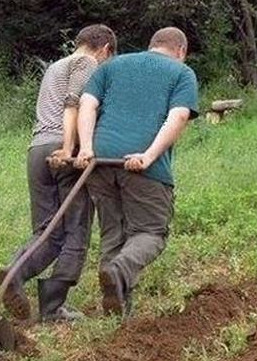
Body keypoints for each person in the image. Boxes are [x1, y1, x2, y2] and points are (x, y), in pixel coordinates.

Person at [76, 27, 199, 319]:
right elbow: (179, 115)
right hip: (142, 164)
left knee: (113, 233)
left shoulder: (113, 65)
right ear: (180, 51)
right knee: (151, 232)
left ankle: (116, 311)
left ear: (152, 44)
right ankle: (117, 273)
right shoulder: (182, 73)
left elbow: (88, 104)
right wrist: (148, 156)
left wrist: (87, 148)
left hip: (101, 161)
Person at [0, 25, 117, 322]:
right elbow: (73, 104)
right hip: (63, 150)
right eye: (109, 57)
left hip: (36, 149)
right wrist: (69, 148)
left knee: (47, 230)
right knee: (76, 231)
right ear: (104, 49)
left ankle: (15, 272)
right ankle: (52, 307)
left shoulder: (55, 67)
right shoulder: (87, 63)